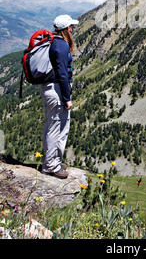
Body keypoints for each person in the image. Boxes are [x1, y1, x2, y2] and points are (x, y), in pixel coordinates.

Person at [40, 14, 78, 179]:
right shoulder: (61, 45)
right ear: (66, 29)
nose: (72, 29)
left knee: (51, 125)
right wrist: (67, 97)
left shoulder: (52, 41)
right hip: (56, 90)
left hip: (49, 88)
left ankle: (51, 160)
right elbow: (62, 74)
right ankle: (51, 166)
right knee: (58, 128)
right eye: (71, 26)